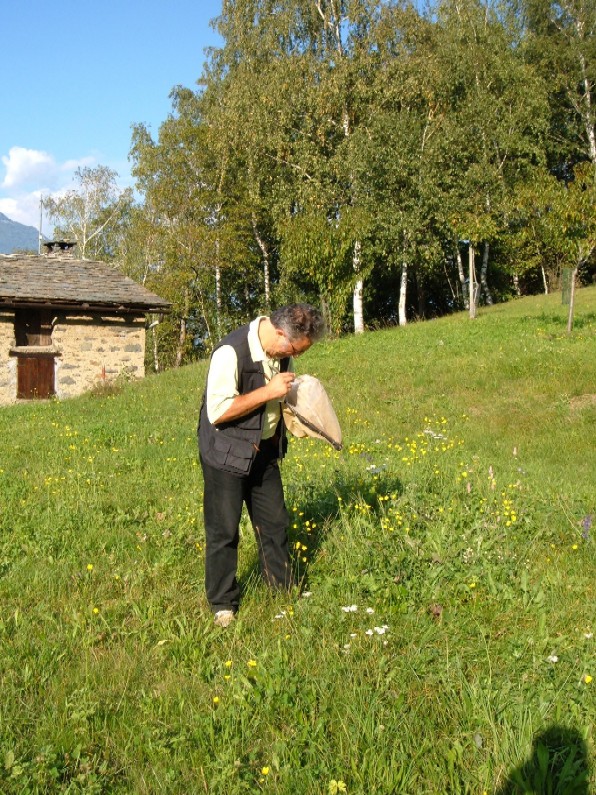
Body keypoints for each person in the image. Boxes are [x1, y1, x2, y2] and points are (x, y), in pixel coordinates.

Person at [198, 303, 325, 627]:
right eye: (297, 349)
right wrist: (268, 391)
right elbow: (219, 412)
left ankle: (282, 592)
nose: (295, 355)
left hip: (264, 451)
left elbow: (278, 398)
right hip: (226, 453)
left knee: (275, 524)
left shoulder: (282, 353)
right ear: (281, 335)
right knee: (223, 530)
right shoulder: (230, 352)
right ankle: (223, 603)